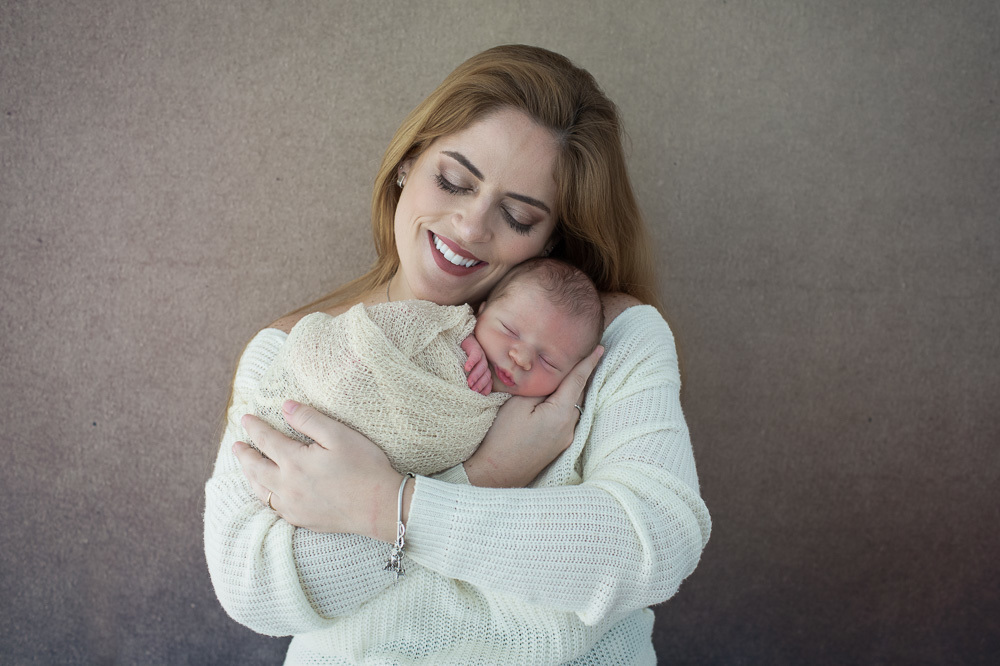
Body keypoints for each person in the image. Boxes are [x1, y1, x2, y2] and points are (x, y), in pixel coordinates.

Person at [205, 44, 711, 664]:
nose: (471, 226)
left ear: (553, 236)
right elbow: (250, 588)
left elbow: (652, 544)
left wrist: (381, 505)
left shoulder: (612, 339)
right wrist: (481, 475)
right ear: (406, 164)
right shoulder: (298, 354)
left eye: (518, 215)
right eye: (452, 181)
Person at [240, 257, 603, 477]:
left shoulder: (533, 423)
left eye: (548, 361)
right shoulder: (445, 330)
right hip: (299, 416)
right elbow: (370, 337)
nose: (521, 358)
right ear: (481, 309)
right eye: (508, 330)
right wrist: (454, 332)